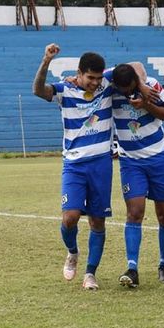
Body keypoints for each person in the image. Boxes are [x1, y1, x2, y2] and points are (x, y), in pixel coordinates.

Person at [32, 43, 113, 290]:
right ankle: (73, 251)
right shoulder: (64, 90)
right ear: (79, 73)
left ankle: (90, 274)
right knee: (70, 218)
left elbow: (137, 67)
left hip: (101, 163)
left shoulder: (107, 84)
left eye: (99, 78)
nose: (95, 83)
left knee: (98, 221)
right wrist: (46, 61)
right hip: (75, 164)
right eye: (90, 77)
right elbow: (38, 90)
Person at [103, 62, 164, 288]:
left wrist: (147, 104)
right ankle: (132, 268)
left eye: (131, 88)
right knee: (134, 212)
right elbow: (93, 74)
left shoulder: (152, 86)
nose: (126, 93)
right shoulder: (111, 85)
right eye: (122, 90)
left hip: (158, 158)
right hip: (130, 161)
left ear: (137, 80)